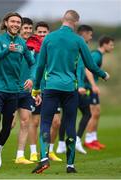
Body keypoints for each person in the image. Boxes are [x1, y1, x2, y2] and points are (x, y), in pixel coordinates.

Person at [31, 10, 109, 174]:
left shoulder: (49, 38)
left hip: (51, 87)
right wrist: (103, 74)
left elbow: (40, 66)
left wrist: (36, 88)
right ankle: (70, 165)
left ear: (62, 20)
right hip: (69, 88)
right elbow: (90, 65)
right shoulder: (78, 40)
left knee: (45, 122)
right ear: (76, 22)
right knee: (69, 123)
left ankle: (44, 158)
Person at [0, 12, 35, 169]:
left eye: (18, 22)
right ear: (6, 23)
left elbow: (33, 63)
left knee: (7, 127)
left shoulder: (22, 43)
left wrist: (32, 78)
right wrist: (8, 49)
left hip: (13, 90)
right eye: (12, 21)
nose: (15, 24)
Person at [27, 22, 62, 162]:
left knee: (56, 122)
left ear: (48, 33)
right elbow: (32, 68)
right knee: (35, 121)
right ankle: (34, 152)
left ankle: (50, 151)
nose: (42, 34)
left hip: (53, 88)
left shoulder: (53, 47)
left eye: (44, 32)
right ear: (36, 33)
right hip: (37, 89)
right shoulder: (31, 48)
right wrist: (35, 87)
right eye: (39, 32)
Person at [56, 25, 93, 154]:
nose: (91, 37)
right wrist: (81, 85)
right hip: (75, 87)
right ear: (84, 34)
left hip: (67, 85)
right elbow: (80, 67)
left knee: (67, 116)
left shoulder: (71, 45)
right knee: (86, 113)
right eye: (90, 34)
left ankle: (61, 144)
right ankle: (75, 140)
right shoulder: (79, 46)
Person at [84, 36, 114, 150]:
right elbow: (87, 69)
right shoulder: (96, 55)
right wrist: (93, 85)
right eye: (111, 44)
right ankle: (88, 140)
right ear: (104, 44)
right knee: (93, 114)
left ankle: (93, 139)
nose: (112, 47)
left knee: (97, 113)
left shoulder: (99, 55)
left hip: (91, 87)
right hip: (88, 88)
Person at [12, 17, 35, 164]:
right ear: (20, 29)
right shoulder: (13, 45)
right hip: (11, 89)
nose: (27, 30)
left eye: (29, 28)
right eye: (25, 28)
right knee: (10, 123)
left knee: (25, 122)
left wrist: (35, 86)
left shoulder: (33, 48)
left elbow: (35, 67)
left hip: (26, 90)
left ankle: (20, 156)